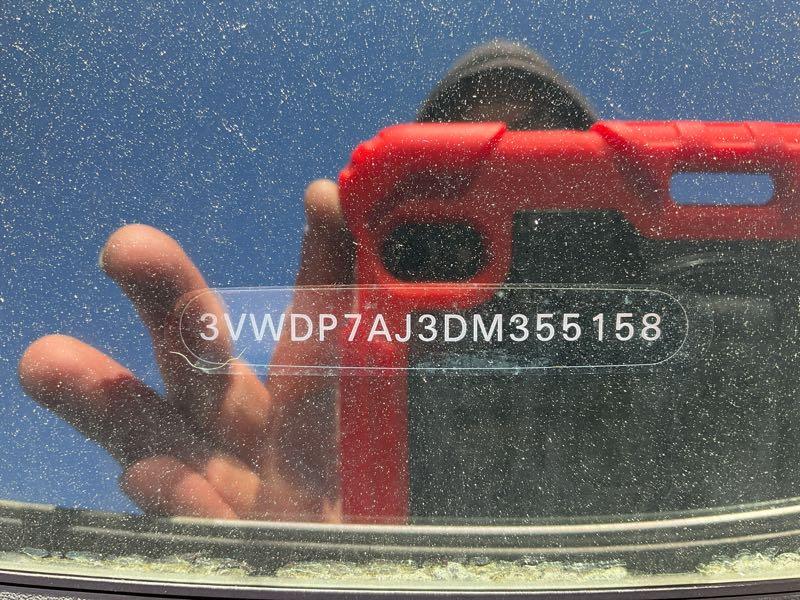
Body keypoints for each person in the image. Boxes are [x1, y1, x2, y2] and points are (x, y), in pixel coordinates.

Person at [17, 41, 597, 521]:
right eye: (457, 181)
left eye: (547, 156)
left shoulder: (658, 331)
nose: (513, 222)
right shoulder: (362, 383)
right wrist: (318, 564)